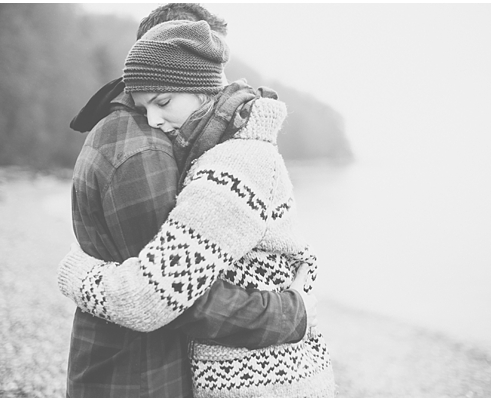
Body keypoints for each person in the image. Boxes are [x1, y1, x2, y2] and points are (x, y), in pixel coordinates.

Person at [59, 19, 336, 397]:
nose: (154, 121)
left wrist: (75, 272)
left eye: (162, 102)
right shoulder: (219, 148)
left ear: (202, 89)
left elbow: (150, 297)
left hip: (263, 384)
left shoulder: (232, 166)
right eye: (145, 108)